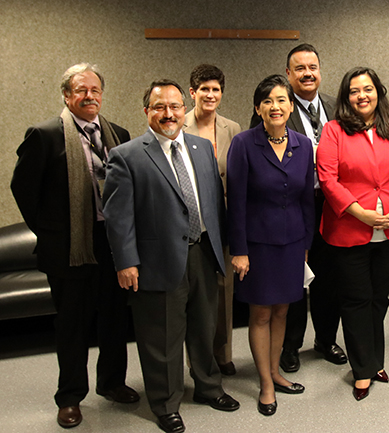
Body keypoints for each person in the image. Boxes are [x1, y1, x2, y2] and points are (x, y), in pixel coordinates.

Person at [103, 79, 239, 433]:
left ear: (185, 108)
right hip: (157, 261)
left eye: (175, 106)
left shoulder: (200, 148)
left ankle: (208, 387)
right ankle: (165, 403)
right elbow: (118, 216)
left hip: (203, 255)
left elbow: (212, 202)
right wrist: (126, 261)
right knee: (162, 338)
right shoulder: (127, 155)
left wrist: (224, 249)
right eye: (159, 107)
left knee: (204, 328)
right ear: (146, 110)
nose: (169, 114)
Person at [10, 63, 138, 429]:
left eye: (95, 89)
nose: (89, 96)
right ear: (67, 95)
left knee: (114, 318)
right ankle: (69, 397)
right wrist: (51, 231)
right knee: (73, 326)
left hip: (111, 243)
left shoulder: (117, 133)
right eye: (81, 90)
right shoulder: (45, 134)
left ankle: (112, 382)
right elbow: (24, 190)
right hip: (69, 247)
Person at [317, 66, 389, 401]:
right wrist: (358, 212)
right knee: (356, 300)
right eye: (354, 91)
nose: (362, 96)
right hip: (350, 228)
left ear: (378, 91)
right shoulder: (333, 131)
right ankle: (363, 369)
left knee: (379, 299)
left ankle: (374, 360)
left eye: (368, 89)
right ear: (346, 97)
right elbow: (328, 178)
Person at [250, 43, 346, 373]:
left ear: (320, 71)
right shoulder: (276, 108)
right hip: (291, 209)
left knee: (328, 276)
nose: (307, 73)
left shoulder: (337, 106)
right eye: (300, 68)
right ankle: (290, 345)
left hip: (332, 206)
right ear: (289, 74)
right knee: (292, 279)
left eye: (313, 67)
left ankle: (326, 338)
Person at [227, 74, 314, 416]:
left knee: (283, 310)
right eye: (268, 101)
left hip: (293, 242)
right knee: (261, 312)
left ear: (291, 107)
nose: (275, 106)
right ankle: (265, 382)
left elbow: (307, 197)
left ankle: (276, 370)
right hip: (257, 244)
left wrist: (306, 242)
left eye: (281, 100)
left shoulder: (303, 144)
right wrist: (240, 250)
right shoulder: (244, 143)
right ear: (257, 108)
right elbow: (236, 200)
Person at [182, 64, 242, 376]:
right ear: (192, 92)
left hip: (226, 222)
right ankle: (197, 360)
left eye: (215, 89)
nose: (210, 94)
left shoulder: (232, 128)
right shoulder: (179, 125)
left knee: (224, 292)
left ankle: (223, 354)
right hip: (193, 225)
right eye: (203, 89)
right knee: (196, 295)